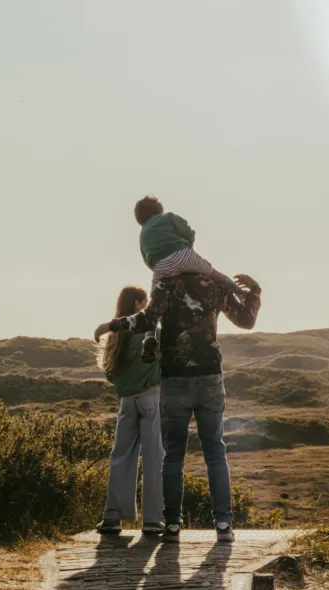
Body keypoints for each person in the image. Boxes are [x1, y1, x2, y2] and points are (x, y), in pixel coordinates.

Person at [94, 272, 262, 544]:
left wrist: (111, 325)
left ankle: (167, 523)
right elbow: (246, 319)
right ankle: (219, 524)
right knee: (213, 453)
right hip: (206, 377)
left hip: (166, 384)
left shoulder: (166, 286)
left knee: (168, 456)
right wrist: (254, 292)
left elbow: (147, 320)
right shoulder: (216, 285)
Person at [133, 195, 245, 363]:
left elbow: (147, 258)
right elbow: (186, 230)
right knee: (217, 275)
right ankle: (242, 294)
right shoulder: (168, 217)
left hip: (161, 266)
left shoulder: (142, 234)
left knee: (153, 304)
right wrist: (189, 244)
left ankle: (149, 336)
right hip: (184, 255)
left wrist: (163, 271)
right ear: (159, 209)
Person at [95, 286, 165, 536]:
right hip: (151, 398)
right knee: (154, 457)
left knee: (121, 456)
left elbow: (109, 373)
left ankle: (113, 517)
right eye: (144, 304)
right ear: (137, 305)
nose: (146, 308)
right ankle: (153, 519)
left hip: (127, 401)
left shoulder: (114, 337)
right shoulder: (151, 332)